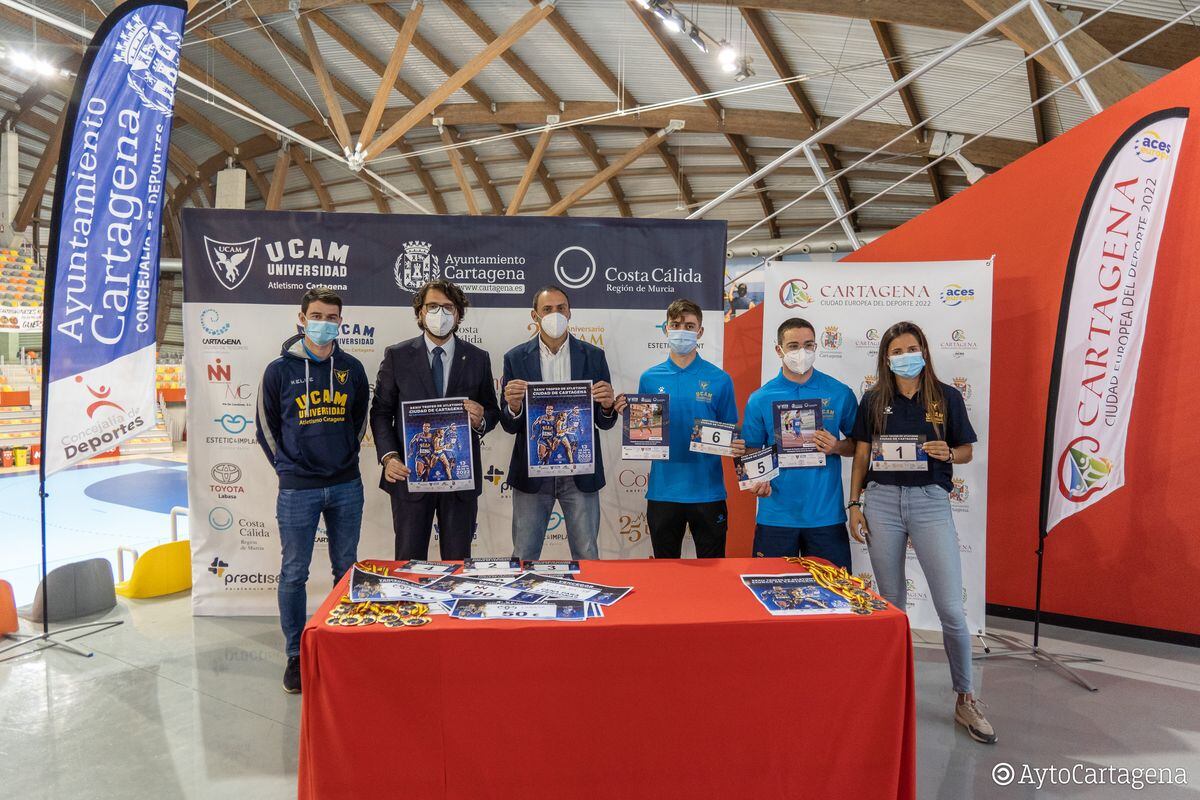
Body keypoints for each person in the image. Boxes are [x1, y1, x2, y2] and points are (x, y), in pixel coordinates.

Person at [846, 320, 994, 744]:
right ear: (886, 358)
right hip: (883, 502)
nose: (905, 355)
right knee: (892, 607)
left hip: (930, 502)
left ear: (924, 350)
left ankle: (965, 698)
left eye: (912, 348)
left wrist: (949, 451)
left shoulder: (947, 396)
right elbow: (860, 454)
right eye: (896, 351)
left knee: (950, 607)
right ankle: (890, 694)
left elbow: (965, 449)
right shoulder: (874, 399)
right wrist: (855, 504)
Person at [256, 287, 369, 695]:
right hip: (298, 489)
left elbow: (359, 423)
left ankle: (344, 643)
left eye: (332, 317)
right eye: (317, 315)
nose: (324, 323)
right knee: (293, 572)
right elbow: (265, 428)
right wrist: (289, 470)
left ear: (341, 321)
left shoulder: (353, 368)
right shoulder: (278, 371)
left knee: (346, 568)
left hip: (345, 484)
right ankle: (293, 655)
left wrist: (343, 459)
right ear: (301, 318)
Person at [371, 279, 500, 561]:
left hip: (459, 478)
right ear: (420, 312)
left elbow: (492, 411)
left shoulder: (478, 358)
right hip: (410, 474)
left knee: (457, 562)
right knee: (408, 561)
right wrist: (389, 457)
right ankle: (409, 606)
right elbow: (380, 412)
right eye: (432, 306)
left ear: (458, 315)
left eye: (447, 307)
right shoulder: (397, 356)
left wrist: (481, 420)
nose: (439, 314)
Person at [614, 299, 742, 558]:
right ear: (666, 329)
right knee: (666, 572)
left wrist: (735, 444)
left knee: (713, 574)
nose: (682, 330)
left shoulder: (720, 379)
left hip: (708, 492)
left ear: (700, 332)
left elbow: (732, 434)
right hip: (664, 491)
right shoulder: (650, 378)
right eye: (676, 324)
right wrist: (631, 417)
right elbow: (645, 433)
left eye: (689, 325)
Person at [499, 285, 617, 560]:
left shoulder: (593, 356)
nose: (555, 314)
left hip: (580, 473)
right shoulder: (515, 358)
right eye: (547, 309)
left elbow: (604, 421)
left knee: (587, 554)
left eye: (561, 308)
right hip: (532, 474)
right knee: (525, 553)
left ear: (570, 312)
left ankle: (591, 602)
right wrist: (513, 407)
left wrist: (608, 406)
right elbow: (509, 425)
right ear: (534, 315)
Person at [740, 317, 858, 568]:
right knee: (771, 593)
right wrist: (755, 479)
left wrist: (836, 446)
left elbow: (859, 445)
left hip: (826, 516)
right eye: (793, 346)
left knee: (835, 597)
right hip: (776, 516)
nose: (801, 352)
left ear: (816, 347)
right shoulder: (760, 398)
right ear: (779, 350)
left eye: (808, 345)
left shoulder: (839, 392)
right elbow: (750, 448)